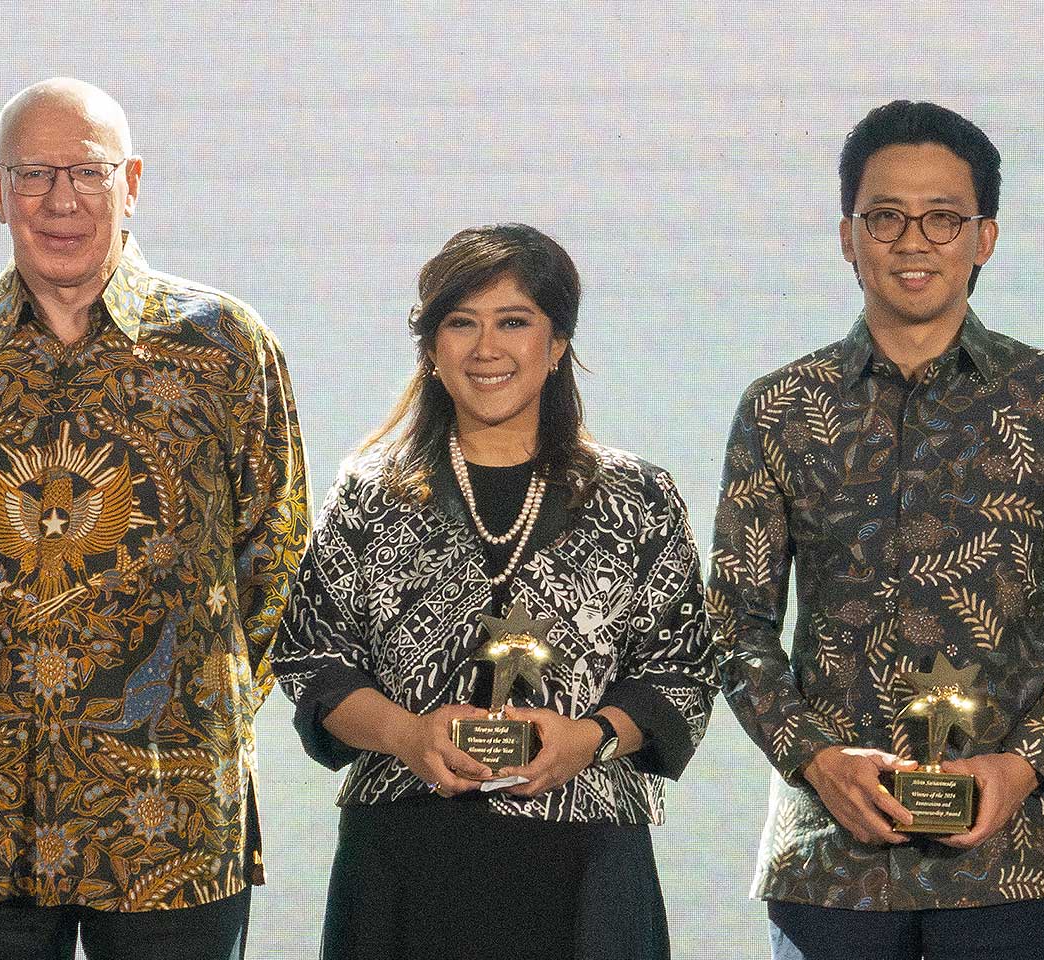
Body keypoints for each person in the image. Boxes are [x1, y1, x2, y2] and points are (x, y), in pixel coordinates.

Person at [0, 77, 306, 958]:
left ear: (131, 182)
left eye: (89, 173)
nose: (62, 200)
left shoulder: (224, 347)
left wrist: (186, 713)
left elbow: (276, 554)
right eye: (34, 174)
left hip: (170, 818)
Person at [711, 101, 1044, 960]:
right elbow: (734, 625)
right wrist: (817, 760)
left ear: (985, 238)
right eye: (886, 217)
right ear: (847, 235)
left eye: (943, 218)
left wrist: (1021, 769)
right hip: (831, 864)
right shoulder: (781, 409)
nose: (913, 241)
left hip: (1011, 861)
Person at [271, 223, 715, 959]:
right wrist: (408, 737)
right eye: (461, 323)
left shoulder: (638, 498)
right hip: (402, 863)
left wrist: (590, 739)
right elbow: (313, 661)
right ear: (431, 346)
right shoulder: (368, 497)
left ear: (558, 343)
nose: (487, 349)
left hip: (589, 867)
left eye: (515, 321)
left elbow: (682, 670)